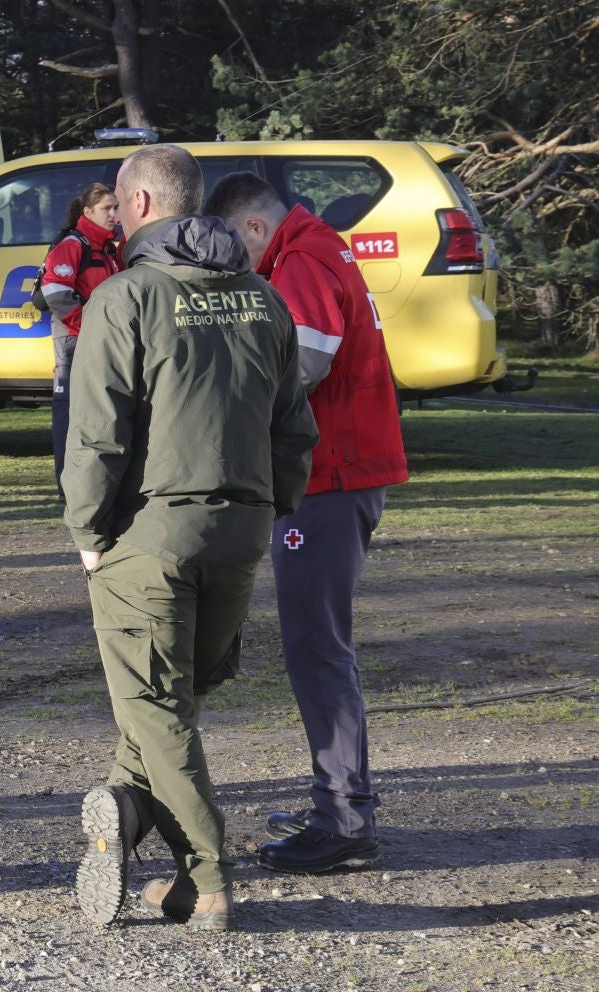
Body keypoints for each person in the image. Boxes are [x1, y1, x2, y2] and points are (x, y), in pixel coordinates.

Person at [62, 145, 318, 932]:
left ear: (137, 205)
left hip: (150, 539)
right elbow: (294, 430)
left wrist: (88, 532)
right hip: (239, 538)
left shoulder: (125, 298)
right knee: (169, 707)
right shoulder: (264, 300)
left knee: (157, 709)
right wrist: (269, 511)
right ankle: (132, 814)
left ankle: (207, 876)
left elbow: (98, 435)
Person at [204, 173, 407, 875]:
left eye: (235, 248)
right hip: (342, 474)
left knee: (318, 650)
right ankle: (337, 805)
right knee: (321, 647)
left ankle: (344, 822)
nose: (236, 265)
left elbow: (308, 362)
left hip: (330, 478)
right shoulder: (322, 248)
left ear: (253, 229)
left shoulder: (302, 260)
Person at [40, 183, 125, 488]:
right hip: (75, 341)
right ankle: (68, 486)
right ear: (88, 212)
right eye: (107, 208)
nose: (114, 214)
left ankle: (92, 481)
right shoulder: (74, 245)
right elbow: (56, 292)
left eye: (116, 207)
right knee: (69, 409)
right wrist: (88, 329)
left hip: (97, 339)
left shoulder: (107, 247)